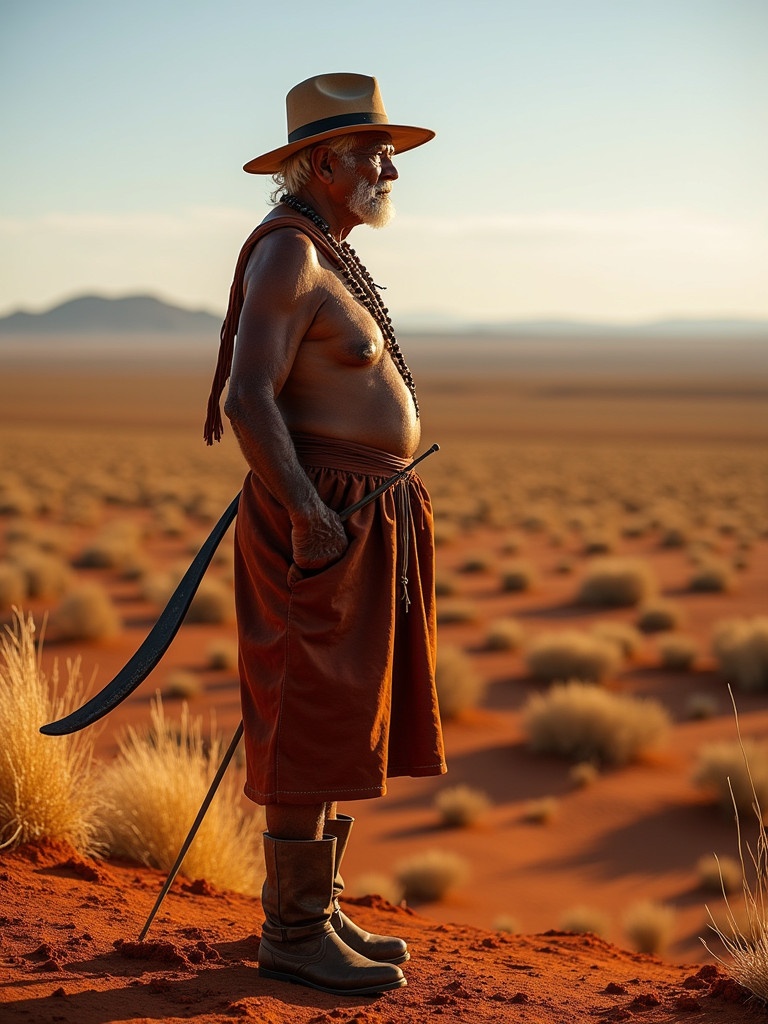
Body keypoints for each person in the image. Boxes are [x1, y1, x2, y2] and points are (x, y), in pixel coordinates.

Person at [204, 73, 446, 997]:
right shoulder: (286, 257)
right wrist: (307, 510)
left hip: (357, 511)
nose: (389, 167)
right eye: (372, 151)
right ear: (319, 161)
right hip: (322, 513)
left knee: (340, 708)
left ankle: (319, 909)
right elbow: (247, 397)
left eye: (388, 152)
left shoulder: (327, 251)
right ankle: (292, 932)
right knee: (309, 705)